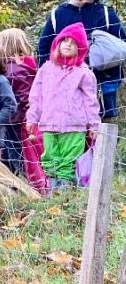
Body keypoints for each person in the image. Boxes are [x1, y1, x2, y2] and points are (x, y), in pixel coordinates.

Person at [38, 0, 126, 120]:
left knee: (100, 135)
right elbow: (44, 49)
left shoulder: (106, 13)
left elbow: (122, 44)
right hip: (64, 86)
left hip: (102, 85)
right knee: (69, 130)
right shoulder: (58, 14)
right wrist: (44, 81)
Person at [27, 23, 101, 192]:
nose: (68, 44)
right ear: (57, 44)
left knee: (68, 162)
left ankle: (65, 196)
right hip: (49, 125)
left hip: (74, 126)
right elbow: (36, 97)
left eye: (73, 42)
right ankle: (53, 192)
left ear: (80, 48)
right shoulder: (45, 70)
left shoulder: (84, 73)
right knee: (50, 159)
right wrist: (32, 117)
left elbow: (91, 101)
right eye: (64, 41)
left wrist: (94, 125)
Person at [0, 29, 47, 195]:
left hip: (16, 118)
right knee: (14, 152)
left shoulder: (12, 69)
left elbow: (22, 97)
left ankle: (22, 184)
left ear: (5, 45)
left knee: (16, 152)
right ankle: (12, 181)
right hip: (27, 116)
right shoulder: (29, 62)